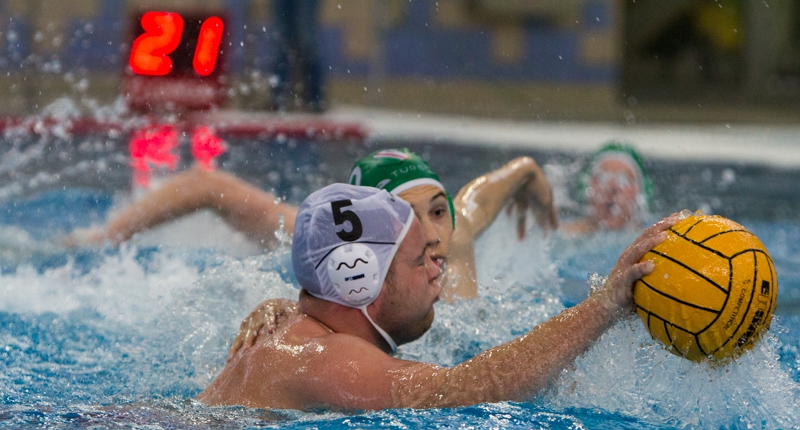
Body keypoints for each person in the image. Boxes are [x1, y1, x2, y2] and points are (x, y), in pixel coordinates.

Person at [199, 184, 680, 411]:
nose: (439, 268)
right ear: (357, 281)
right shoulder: (328, 359)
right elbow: (471, 388)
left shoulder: (292, 331)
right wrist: (603, 306)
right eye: (420, 259)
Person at [71, 148, 557, 302]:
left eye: (437, 211)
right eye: (406, 217)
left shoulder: (457, 236)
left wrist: (529, 172)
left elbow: (486, 192)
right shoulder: (323, 238)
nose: (433, 236)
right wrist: (102, 240)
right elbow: (202, 184)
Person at [561, 143, 653, 234]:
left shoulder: (655, 242)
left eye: (625, 179)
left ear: (641, 194)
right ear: (585, 187)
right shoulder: (562, 236)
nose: (613, 187)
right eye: (602, 177)